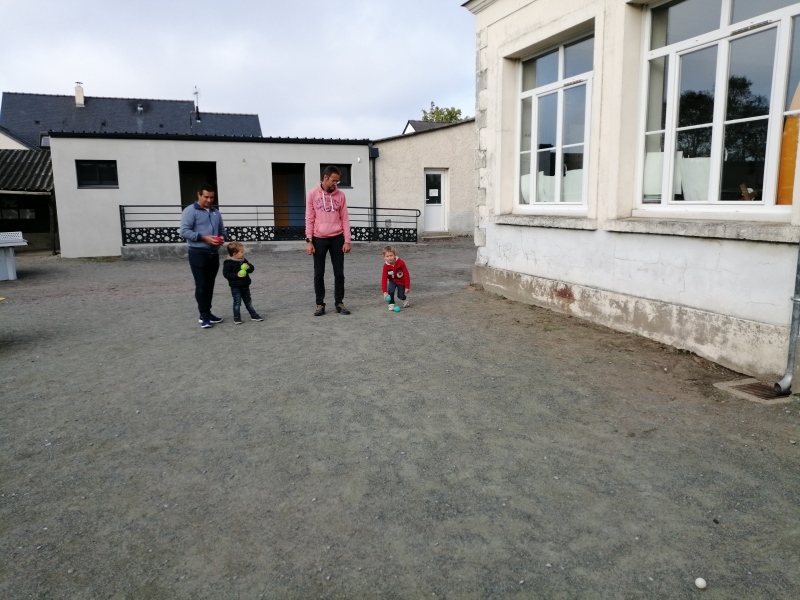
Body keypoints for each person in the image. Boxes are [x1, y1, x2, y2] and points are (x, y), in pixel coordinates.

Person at [305, 165, 352, 316]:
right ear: (325, 177)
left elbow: (345, 218)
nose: (335, 184)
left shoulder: (341, 196)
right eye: (333, 180)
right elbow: (309, 218)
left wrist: (347, 240)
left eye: (337, 181)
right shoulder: (312, 194)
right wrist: (309, 241)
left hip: (337, 238)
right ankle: (320, 304)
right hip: (319, 239)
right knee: (319, 273)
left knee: (339, 273)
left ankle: (339, 303)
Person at [180, 183, 226, 329]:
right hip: (198, 253)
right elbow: (184, 231)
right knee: (201, 285)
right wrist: (204, 238)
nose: (209, 200)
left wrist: (222, 238)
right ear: (199, 195)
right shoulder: (190, 211)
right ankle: (203, 316)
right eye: (206, 197)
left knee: (210, 284)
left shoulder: (216, 212)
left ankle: (208, 312)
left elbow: (222, 230)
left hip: (213, 253)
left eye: (212, 197)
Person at [222, 242, 263, 324]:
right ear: (234, 254)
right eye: (241, 252)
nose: (243, 253)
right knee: (237, 302)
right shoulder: (228, 262)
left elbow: (251, 269)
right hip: (235, 286)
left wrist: (249, 267)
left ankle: (253, 315)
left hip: (245, 285)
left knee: (248, 301)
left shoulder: (243, 260)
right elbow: (226, 274)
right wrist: (237, 275)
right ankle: (237, 317)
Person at [381, 245, 411, 310]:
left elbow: (406, 274)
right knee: (391, 291)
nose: (389, 258)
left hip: (401, 281)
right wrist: (384, 292)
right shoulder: (385, 266)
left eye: (391, 255)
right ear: (384, 257)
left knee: (400, 295)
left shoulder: (401, 262)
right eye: (387, 256)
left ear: (395, 255)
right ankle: (391, 303)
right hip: (392, 281)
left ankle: (404, 299)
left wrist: (407, 286)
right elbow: (384, 279)